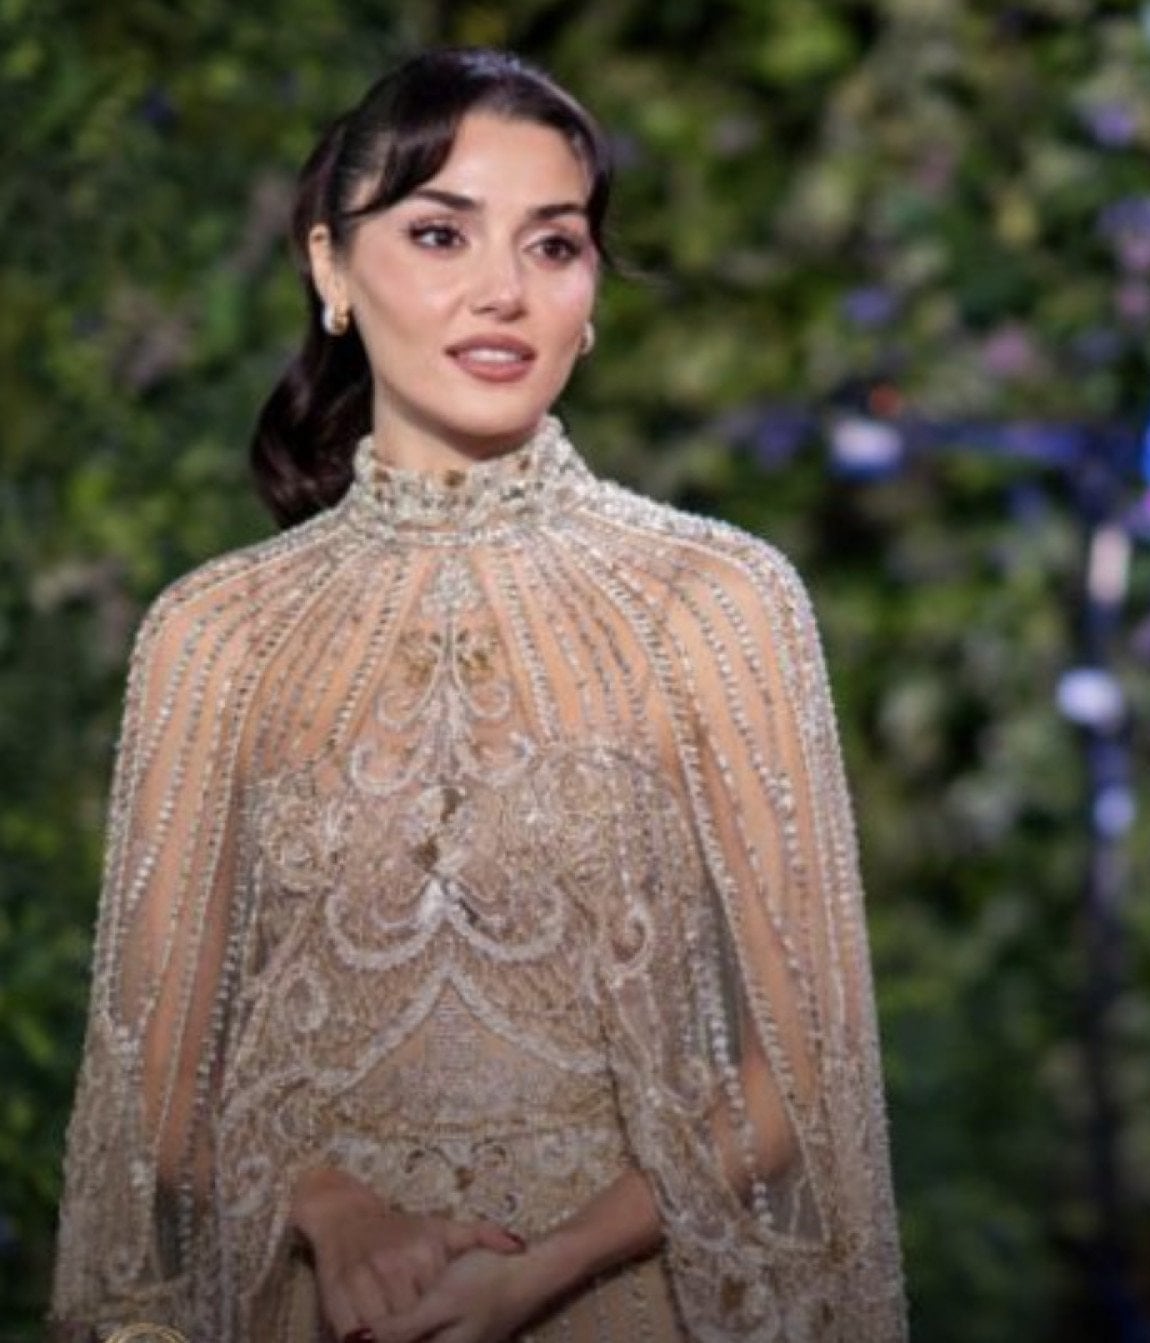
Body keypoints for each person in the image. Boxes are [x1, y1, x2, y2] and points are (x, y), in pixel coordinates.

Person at [50, 47, 906, 1343]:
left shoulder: (717, 603)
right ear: (333, 269)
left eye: (552, 246)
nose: (503, 291)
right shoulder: (215, 637)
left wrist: (539, 1268)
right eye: (441, 233)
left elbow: (806, 1068)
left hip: (618, 1301)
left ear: (590, 295)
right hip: (327, 1306)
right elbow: (150, 1089)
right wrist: (331, 1207)